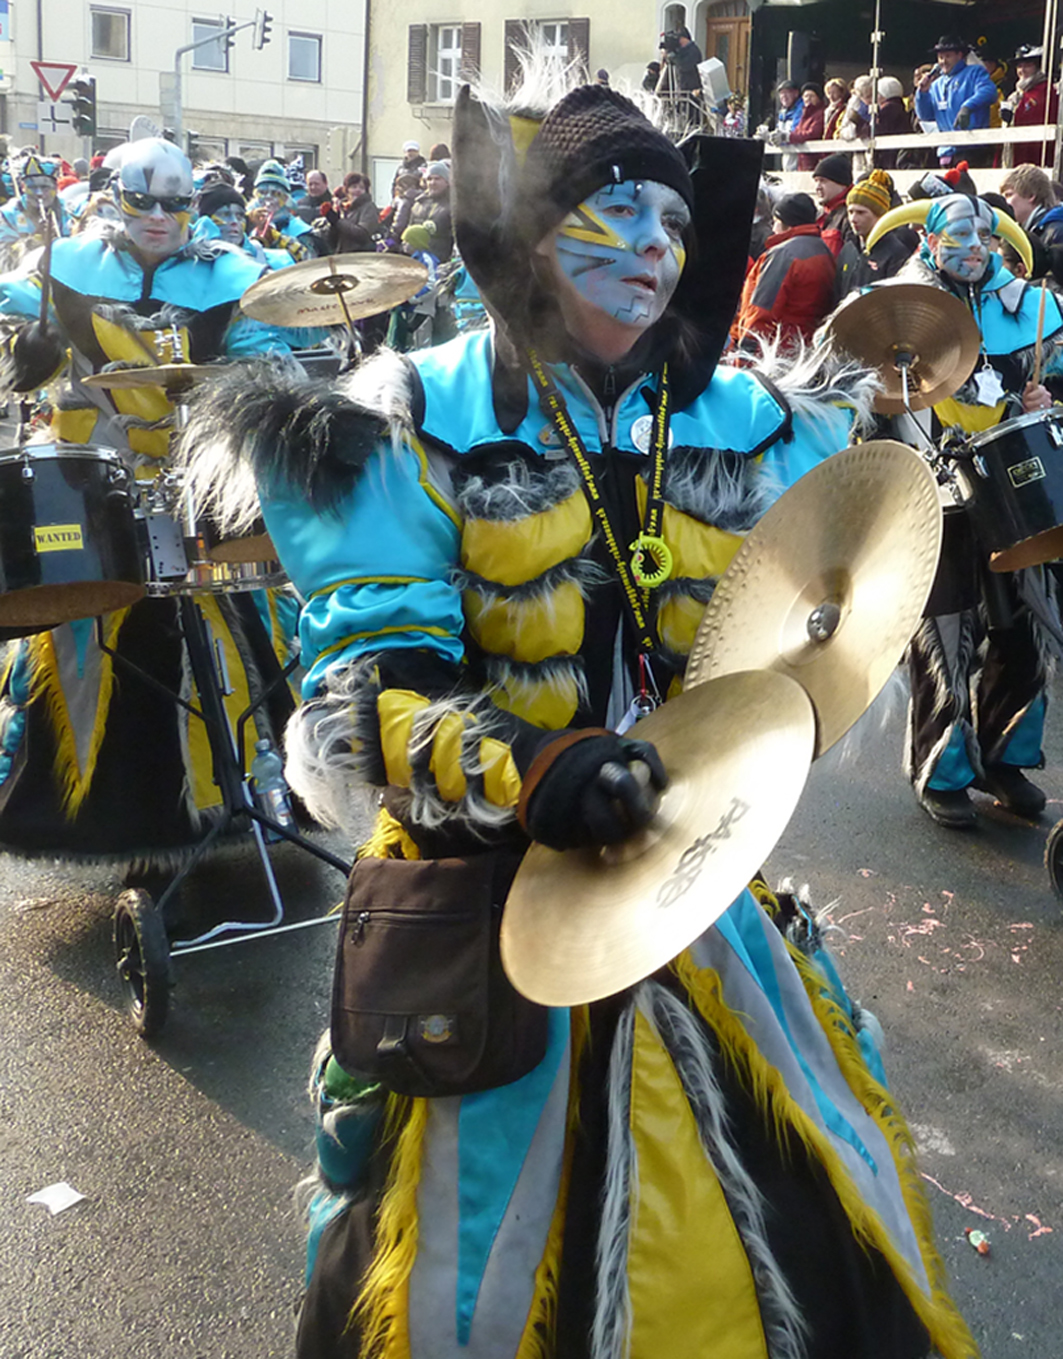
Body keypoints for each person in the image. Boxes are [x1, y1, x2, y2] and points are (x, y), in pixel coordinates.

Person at [180, 75, 973, 1357]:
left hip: (692, 889)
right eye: (619, 213)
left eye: (674, 224)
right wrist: (530, 767)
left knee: (807, 1212)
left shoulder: (752, 424)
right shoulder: (407, 421)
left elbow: (825, 607)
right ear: (537, 234)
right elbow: (361, 706)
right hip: (481, 910)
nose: (655, 248)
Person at [0, 138, 301, 862]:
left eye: (176, 203)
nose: (159, 216)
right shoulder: (62, 266)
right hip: (88, 487)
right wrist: (25, 352)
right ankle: (97, 818)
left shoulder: (233, 274)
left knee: (229, 623)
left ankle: (237, 797)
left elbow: (268, 367)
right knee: (83, 625)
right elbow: (19, 355)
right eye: (142, 201)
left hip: (197, 479)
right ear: (114, 198)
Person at [859, 192, 1063, 828]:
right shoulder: (895, 309)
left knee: (1025, 626)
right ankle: (942, 769)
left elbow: (1052, 381)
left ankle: (1007, 757)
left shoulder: (1026, 305)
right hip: (935, 489)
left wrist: (1044, 397)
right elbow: (863, 404)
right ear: (930, 241)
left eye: (983, 236)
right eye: (959, 236)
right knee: (944, 632)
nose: (974, 247)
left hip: (1014, 484)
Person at [732, 191, 836, 349]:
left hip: (776, 348)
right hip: (804, 346)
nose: (773, 228)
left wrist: (748, 350)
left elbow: (763, 308)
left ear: (787, 224)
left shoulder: (783, 255)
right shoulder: (824, 251)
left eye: (775, 222)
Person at [832, 169, 916, 302]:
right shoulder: (848, 249)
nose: (853, 219)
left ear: (879, 216)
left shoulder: (896, 253)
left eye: (861, 213)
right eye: (850, 212)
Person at [915, 34, 997, 167]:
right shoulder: (936, 85)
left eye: (948, 56)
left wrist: (967, 107)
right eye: (940, 57)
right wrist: (922, 94)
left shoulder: (975, 72)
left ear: (960, 55)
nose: (943, 61)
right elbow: (926, 116)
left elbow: (990, 92)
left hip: (972, 149)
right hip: (946, 152)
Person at [193, 179, 311, 267]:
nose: (234, 222)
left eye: (239, 216)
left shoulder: (273, 259)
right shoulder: (191, 261)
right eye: (225, 214)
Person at [0, 153, 71, 270]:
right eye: (32, 187)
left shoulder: (69, 211)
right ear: (23, 187)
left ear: (56, 188)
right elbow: (4, 260)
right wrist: (34, 240)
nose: (39, 193)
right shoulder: (7, 215)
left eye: (45, 188)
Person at [1002, 44, 1059, 167]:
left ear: (1037, 67)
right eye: (1019, 66)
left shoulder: (1047, 91)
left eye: (1027, 65)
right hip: (1017, 155)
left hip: (1038, 157)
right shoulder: (1014, 96)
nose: (1022, 70)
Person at [407, 160, 453, 263]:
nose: (432, 183)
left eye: (437, 179)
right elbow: (410, 227)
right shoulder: (419, 203)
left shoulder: (453, 204)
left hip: (442, 260)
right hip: (417, 259)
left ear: (447, 182)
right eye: (429, 179)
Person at [812, 151, 855, 253]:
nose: (817, 187)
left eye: (823, 181)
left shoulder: (851, 216)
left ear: (841, 183)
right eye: (816, 181)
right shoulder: (819, 214)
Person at [658, 25, 704, 120]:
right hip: (681, 92)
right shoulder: (681, 52)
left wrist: (672, 57)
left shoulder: (693, 51)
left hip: (691, 93)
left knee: (691, 118)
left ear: (683, 38)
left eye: (678, 39)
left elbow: (684, 66)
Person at [874, 75, 914, 168]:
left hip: (889, 156)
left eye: (878, 93)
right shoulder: (901, 108)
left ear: (884, 95)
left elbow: (880, 131)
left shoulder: (887, 112)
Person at [787, 81, 826, 171]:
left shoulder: (821, 113)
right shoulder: (804, 115)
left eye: (811, 96)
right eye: (805, 96)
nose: (808, 99)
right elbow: (797, 131)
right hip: (802, 159)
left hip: (815, 158)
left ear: (818, 98)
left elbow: (813, 134)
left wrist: (789, 137)